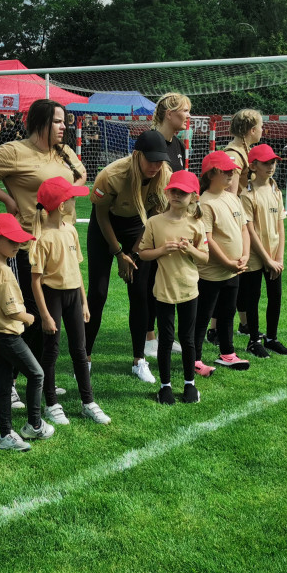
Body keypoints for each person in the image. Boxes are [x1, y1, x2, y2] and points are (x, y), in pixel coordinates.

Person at [0, 99, 87, 403]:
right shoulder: (15, 151)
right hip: (28, 245)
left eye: (65, 122)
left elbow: (81, 176)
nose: (65, 127)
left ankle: (39, 377)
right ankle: (8, 384)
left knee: (47, 317)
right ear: (41, 123)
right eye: (59, 121)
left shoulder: (64, 152)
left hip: (60, 243)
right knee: (24, 315)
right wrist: (9, 201)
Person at [84, 129, 171, 384]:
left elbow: (152, 218)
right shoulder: (111, 175)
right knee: (98, 292)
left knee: (140, 291)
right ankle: (85, 357)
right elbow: (100, 215)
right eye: (151, 159)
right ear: (137, 155)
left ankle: (138, 360)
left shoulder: (163, 175)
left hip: (137, 224)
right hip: (105, 225)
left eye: (160, 160)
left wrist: (132, 253)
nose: (156, 165)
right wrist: (118, 253)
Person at [0, 213, 54, 451]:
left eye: (18, 241)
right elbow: (13, 311)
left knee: (4, 385)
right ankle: (34, 425)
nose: (17, 245)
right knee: (36, 374)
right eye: (11, 241)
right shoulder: (3, 271)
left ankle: (6, 435)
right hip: (7, 335)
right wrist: (31, 317)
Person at [29, 177, 110, 426]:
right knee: (51, 350)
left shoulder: (71, 230)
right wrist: (44, 315)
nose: (76, 202)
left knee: (80, 350)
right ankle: (51, 403)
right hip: (53, 296)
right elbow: (36, 281)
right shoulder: (43, 238)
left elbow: (76, 271)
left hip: (74, 296)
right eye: (72, 198)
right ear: (62, 205)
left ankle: (88, 402)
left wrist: (84, 303)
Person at [137, 170, 208, 404]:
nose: (177, 195)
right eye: (173, 191)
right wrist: (161, 251)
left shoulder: (196, 224)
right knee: (166, 339)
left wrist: (191, 250)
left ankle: (190, 385)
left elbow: (205, 258)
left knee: (187, 339)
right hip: (164, 291)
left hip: (189, 289)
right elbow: (143, 253)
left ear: (193, 197)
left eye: (183, 192)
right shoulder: (154, 222)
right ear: (167, 193)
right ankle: (165, 386)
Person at [143, 93, 192, 359]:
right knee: (149, 280)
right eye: (184, 111)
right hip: (152, 224)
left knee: (166, 278)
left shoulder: (179, 147)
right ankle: (148, 337)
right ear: (169, 114)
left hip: (172, 222)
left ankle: (163, 335)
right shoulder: (152, 142)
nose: (188, 116)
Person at [194, 151, 251, 374]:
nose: (231, 174)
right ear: (211, 174)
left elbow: (244, 228)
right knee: (203, 316)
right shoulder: (205, 203)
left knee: (228, 313)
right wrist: (226, 261)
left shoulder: (232, 197)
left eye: (232, 170)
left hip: (233, 270)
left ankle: (227, 353)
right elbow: (207, 238)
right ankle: (195, 358)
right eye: (226, 171)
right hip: (211, 273)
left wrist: (244, 255)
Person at [237, 144, 287, 358]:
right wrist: (267, 259)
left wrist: (278, 257)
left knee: (275, 296)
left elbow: (280, 225)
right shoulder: (247, 194)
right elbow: (249, 230)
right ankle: (253, 341)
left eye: (273, 162)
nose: (271, 166)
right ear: (253, 166)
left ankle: (272, 338)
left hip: (273, 257)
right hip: (254, 256)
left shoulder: (275, 189)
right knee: (253, 297)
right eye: (266, 162)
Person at [221, 108, 264, 338]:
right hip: (233, 223)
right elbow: (229, 194)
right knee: (229, 278)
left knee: (239, 278)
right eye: (261, 126)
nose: (263, 130)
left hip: (240, 220)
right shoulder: (234, 155)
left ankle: (243, 324)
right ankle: (216, 330)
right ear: (251, 130)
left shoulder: (242, 152)